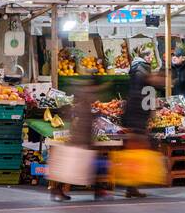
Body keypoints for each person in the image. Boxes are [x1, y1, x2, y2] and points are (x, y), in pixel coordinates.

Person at [52, 71, 109, 201]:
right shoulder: (87, 94)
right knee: (74, 166)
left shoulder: (84, 92)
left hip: (81, 136)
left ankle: (98, 190)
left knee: (77, 165)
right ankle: (98, 191)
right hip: (81, 137)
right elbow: (81, 116)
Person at [121, 56, 157, 198]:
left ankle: (131, 186)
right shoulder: (146, 84)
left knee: (133, 155)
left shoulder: (133, 79)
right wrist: (149, 118)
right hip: (138, 122)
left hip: (131, 120)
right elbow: (148, 104)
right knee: (137, 155)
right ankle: (131, 186)